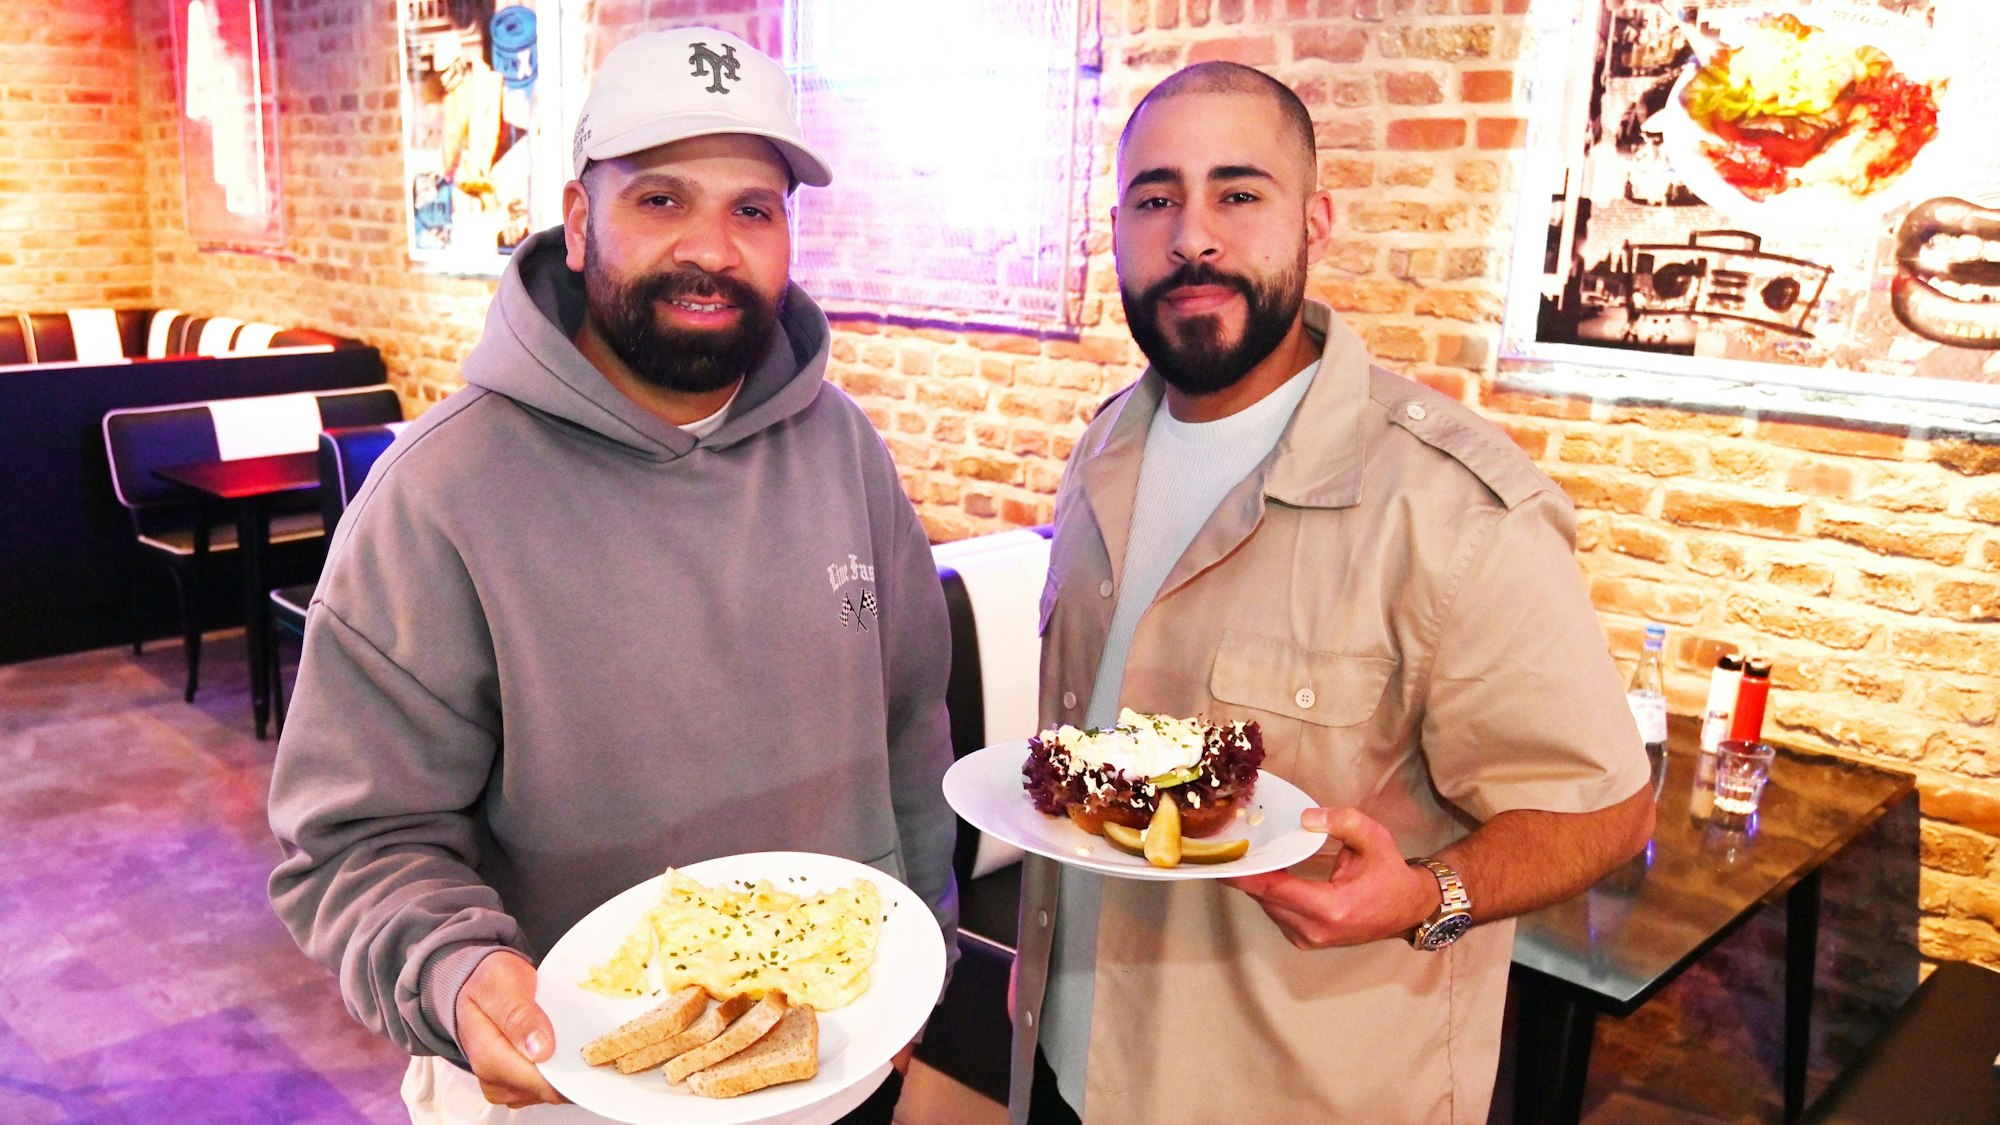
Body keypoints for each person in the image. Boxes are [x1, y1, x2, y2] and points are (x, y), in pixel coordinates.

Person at [267, 27, 958, 1123]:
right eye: (660, 200)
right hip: (566, 1078)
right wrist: (455, 976)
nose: (713, 250)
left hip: (835, 1057)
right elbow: (356, 840)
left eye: (752, 209)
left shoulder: (845, 452)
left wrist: (924, 952)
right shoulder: (438, 497)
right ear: (580, 223)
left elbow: (911, 721)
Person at [1010, 62, 1656, 1125]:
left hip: (1295, 1094)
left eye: (1238, 193)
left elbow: (1601, 809)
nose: (1192, 237)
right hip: (1065, 1062)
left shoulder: (1452, 509)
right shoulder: (1103, 451)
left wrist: (1427, 897)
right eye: (1155, 198)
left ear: (1314, 221)